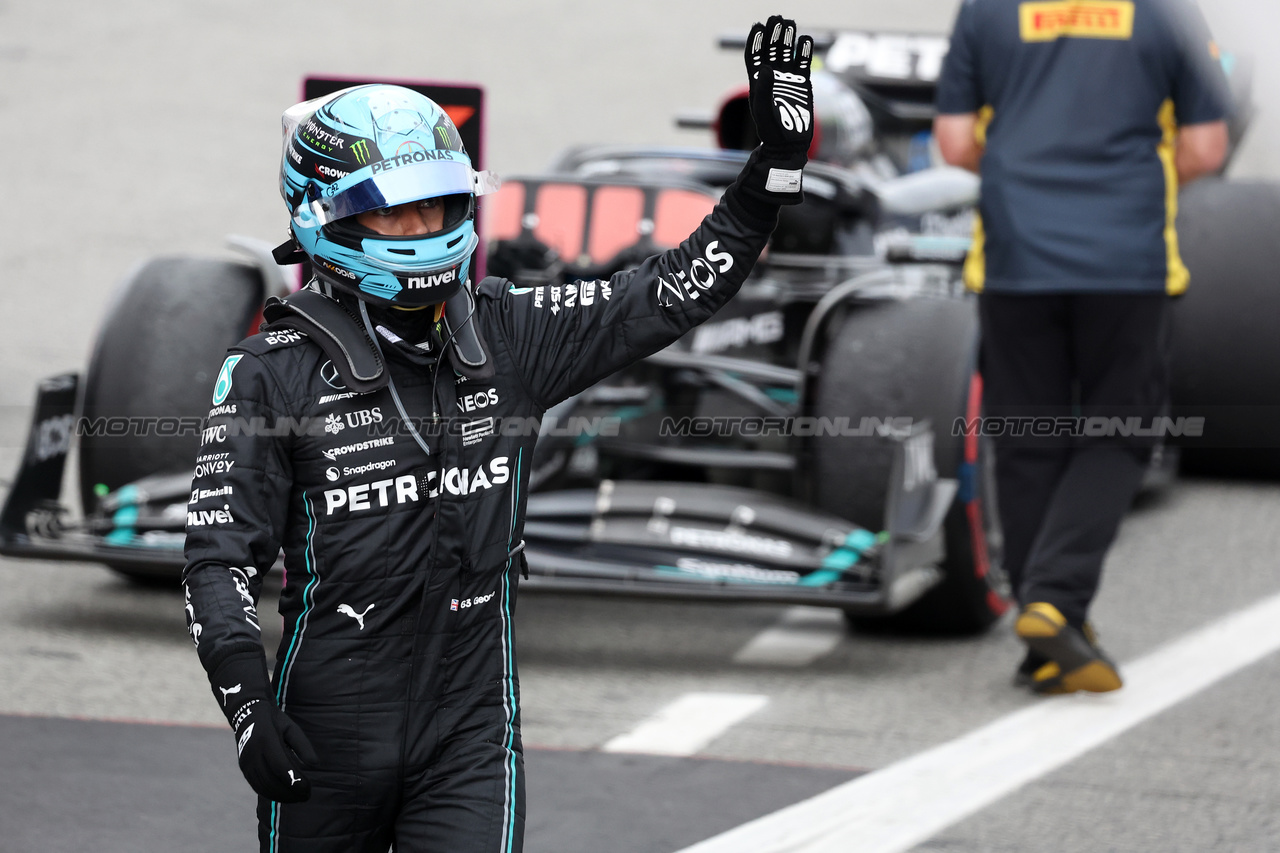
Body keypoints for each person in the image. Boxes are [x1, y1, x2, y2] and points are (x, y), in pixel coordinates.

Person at [181, 16, 813, 852]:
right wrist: (248, 704)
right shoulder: (269, 372)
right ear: (323, 218)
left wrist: (768, 177)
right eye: (398, 215)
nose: (425, 229)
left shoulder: (511, 333)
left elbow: (671, 293)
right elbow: (217, 559)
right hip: (327, 732)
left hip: (471, 728)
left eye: (439, 205)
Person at [933, 0, 1230, 694]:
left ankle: (1047, 640)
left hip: (1014, 254)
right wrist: (1126, 184)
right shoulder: (1167, 13)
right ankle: (1057, 599)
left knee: (1029, 434)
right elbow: (1205, 149)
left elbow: (952, 142)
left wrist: (1023, 173)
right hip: (1124, 257)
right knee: (1119, 431)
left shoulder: (987, 10)